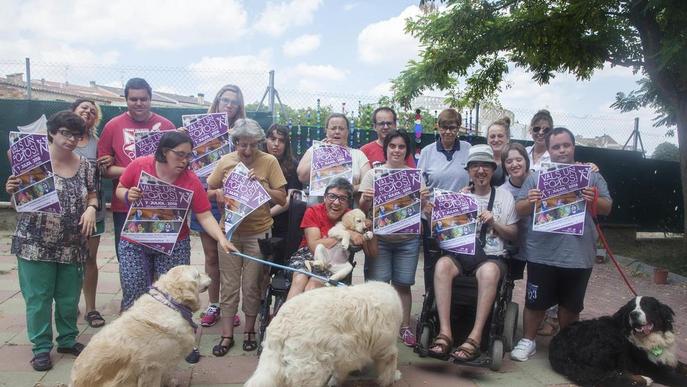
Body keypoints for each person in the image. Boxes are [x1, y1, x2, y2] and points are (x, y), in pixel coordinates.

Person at [6, 111, 98, 371]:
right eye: (65, 133)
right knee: (38, 298)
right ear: (52, 132)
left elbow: (92, 194)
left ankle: (68, 340)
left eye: (76, 135)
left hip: (72, 242)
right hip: (34, 242)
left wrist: (91, 208)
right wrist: (12, 191)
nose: (70, 140)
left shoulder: (85, 165)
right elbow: (18, 205)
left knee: (68, 297)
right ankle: (41, 348)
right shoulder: (32, 161)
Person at [511, 127, 612, 362]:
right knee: (535, 302)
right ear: (549, 150)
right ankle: (528, 340)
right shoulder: (536, 176)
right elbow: (519, 208)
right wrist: (532, 201)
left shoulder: (591, 175)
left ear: (573, 147)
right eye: (556, 147)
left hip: (578, 254)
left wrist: (593, 199)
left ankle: (568, 344)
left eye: (566, 145)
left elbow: (608, 207)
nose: (562, 150)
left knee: (572, 306)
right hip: (541, 253)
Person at [115, 131, 236, 311]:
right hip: (136, 242)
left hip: (174, 244)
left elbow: (204, 215)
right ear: (164, 151)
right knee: (135, 294)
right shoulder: (140, 165)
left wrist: (221, 238)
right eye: (180, 154)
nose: (185, 160)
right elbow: (120, 188)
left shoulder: (191, 180)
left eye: (188, 156)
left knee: (173, 297)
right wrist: (127, 194)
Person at [428, 145, 517, 362]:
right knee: (442, 265)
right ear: (468, 171)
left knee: (487, 272)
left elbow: (514, 234)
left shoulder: (505, 198)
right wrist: (439, 215)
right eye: (475, 166)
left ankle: (475, 337)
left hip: (492, 256)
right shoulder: (458, 197)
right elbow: (442, 234)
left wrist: (494, 222)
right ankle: (445, 333)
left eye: (485, 166)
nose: (480, 171)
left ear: (492, 169)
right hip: (461, 255)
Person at [207, 119, 287, 355]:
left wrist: (262, 186)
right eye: (243, 145)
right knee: (229, 285)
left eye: (253, 145)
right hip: (229, 233)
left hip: (258, 232)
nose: (249, 151)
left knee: (252, 285)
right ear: (235, 143)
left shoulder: (269, 161)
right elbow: (209, 190)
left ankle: (250, 330)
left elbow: (282, 198)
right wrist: (218, 193)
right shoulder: (225, 161)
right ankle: (226, 335)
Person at [359, 130, 427, 348]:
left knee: (403, 284)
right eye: (392, 146)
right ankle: (376, 328)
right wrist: (365, 199)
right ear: (386, 148)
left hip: (408, 240)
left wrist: (424, 200)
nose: (396, 150)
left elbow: (422, 209)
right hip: (380, 239)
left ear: (406, 150)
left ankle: (404, 326)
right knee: (379, 285)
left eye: (401, 147)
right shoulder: (373, 174)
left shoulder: (415, 175)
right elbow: (362, 210)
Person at [97, 78, 175, 260]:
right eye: (133, 99)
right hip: (124, 206)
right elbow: (103, 170)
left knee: (161, 261)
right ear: (126, 100)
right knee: (129, 262)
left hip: (161, 205)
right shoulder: (112, 126)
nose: (139, 103)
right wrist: (134, 171)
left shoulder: (166, 126)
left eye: (143, 99)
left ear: (150, 99)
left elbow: (178, 165)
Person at [195, 85, 246, 329]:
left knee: (230, 257)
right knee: (212, 256)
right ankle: (213, 304)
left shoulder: (243, 133)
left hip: (233, 202)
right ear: (216, 101)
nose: (228, 105)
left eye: (233, 102)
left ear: (238, 107)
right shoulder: (199, 128)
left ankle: (229, 306)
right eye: (224, 100)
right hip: (205, 199)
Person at [287, 178, 365, 300]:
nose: (336, 202)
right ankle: (286, 317)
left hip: (335, 260)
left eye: (342, 198)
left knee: (313, 286)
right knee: (299, 279)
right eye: (332, 196)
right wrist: (347, 232)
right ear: (324, 197)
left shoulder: (354, 216)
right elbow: (314, 246)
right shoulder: (313, 211)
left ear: (348, 202)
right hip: (307, 254)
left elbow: (360, 240)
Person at [71, 98, 113, 328]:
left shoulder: (98, 142)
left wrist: (108, 162)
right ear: (72, 111)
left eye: (92, 110)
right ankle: (69, 304)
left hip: (93, 208)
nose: (87, 111)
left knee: (89, 259)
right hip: (64, 211)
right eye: (83, 108)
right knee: (67, 260)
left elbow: (106, 173)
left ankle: (91, 309)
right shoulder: (56, 137)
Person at [296, 113, 370, 197]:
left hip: (349, 206)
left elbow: (368, 184)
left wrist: (348, 190)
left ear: (348, 131)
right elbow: (302, 177)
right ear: (326, 131)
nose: (337, 132)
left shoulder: (358, 154)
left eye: (341, 129)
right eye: (333, 128)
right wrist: (322, 152)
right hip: (318, 206)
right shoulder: (314, 150)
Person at [417, 108, 472, 192]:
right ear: (438, 127)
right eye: (444, 127)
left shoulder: (468, 149)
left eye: (452, 128)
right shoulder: (427, 152)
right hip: (434, 204)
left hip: (462, 203)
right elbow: (419, 183)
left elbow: (474, 178)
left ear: (458, 128)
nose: (448, 131)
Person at [264, 124, 303, 238]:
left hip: (281, 222)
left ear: (286, 144)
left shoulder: (293, 165)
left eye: (281, 141)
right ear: (266, 140)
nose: (276, 144)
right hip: (256, 222)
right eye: (272, 139)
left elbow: (291, 198)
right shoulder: (256, 160)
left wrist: (267, 215)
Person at [486, 117, 511, 186]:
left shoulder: (514, 162)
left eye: (500, 136)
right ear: (487, 140)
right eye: (492, 136)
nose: (496, 140)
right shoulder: (482, 160)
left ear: (508, 139)